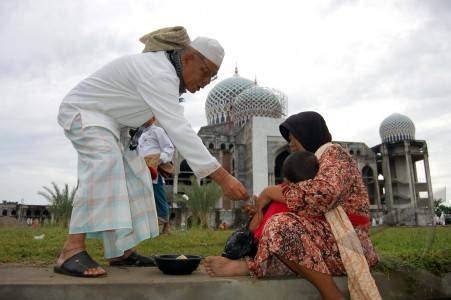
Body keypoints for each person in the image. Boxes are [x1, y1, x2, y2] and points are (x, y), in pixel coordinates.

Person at [54, 26, 248, 278]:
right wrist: (222, 177)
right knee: (104, 163)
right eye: (204, 73)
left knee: (136, 178)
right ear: (188, 58)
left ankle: (120, 251)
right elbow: (179, 129)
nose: (204, 82)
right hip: (85, 112)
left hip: (114, 125)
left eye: (210, 78)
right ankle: (71, 250)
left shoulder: (166, 73)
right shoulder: (160, 72)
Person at [205, 111, 381, 300]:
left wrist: (269, 193)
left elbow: (323, 195)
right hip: (326, 241)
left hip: (350, 244)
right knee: (281, 238)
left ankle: (332, 295)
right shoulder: (315, 162)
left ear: (307, 133)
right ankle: (246, 265)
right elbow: (301, 199)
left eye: (292, 137)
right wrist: (262, 207)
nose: (290, 144)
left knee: (281, 227)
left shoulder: (334, 155)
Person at [249, 151, 319, 241]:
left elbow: (254, 229)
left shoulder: (277, 199)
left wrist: (259, 210)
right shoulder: (318, 204)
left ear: (286, 178)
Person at [137, 117, 174, 234]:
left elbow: (169, 147)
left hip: (153, 166)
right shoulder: (139, 133)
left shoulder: (158, 131)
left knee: (158, 194)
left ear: (153, 118)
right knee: (142, 195)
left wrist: (159, 159)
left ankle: (165, 223)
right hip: (140, 166)